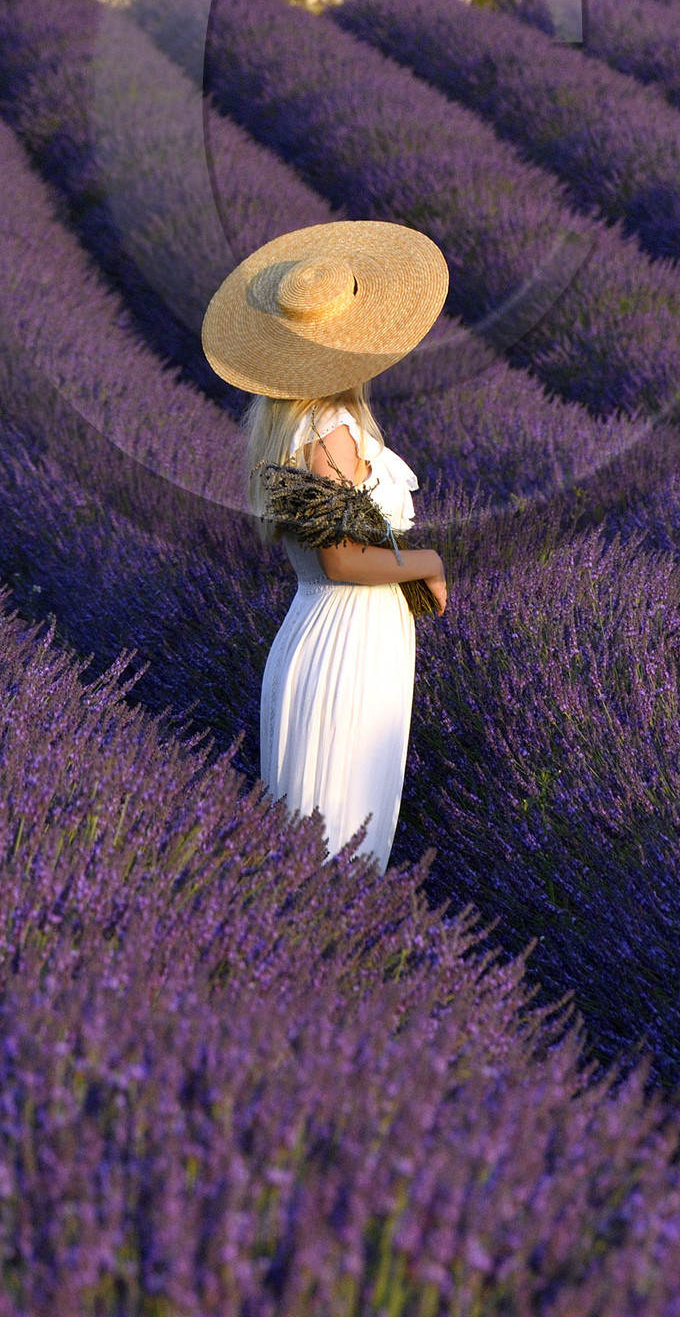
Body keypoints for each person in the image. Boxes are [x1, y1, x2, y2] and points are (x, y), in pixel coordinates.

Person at [201, 219, 450, 873]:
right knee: (341, 842)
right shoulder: (331, 428)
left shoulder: (286, 424)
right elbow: (341, 560)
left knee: (307, 842)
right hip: (350, 646)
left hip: (317, 630)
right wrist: (427, 563)